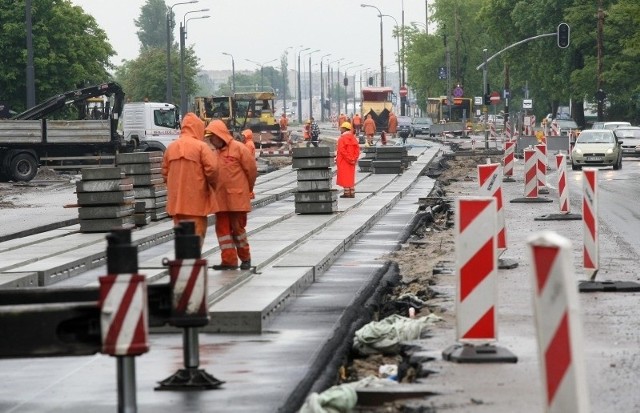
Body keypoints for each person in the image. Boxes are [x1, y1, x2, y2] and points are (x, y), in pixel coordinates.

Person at [205, 120, 258, 271]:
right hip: (220, 200)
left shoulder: (239, 149)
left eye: (212, 137)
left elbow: (252, 171)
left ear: (220, 136)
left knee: (238, 230)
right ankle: (228, 261)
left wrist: (248, 189)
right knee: (222, 231)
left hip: (237, 199)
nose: (211, 140)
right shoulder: (213, 152)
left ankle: (245, 258)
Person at [161, 112, 218, 247]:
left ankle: (183, 263)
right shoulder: (201, 147)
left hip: (177, 204)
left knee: (182, 238)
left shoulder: (171, 148)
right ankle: (192, 264)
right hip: (196, 203)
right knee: (196, 238)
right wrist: (213, 188)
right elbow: (213, 170)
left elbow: (164, 173)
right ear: (198, 128)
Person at [335, 122, 360, 198]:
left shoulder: (342, 139)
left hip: (344, 161)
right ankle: (352, 192)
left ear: (344, 128)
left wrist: (348, 158)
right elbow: (357, 150)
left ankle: (346, 193)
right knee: (350, 176)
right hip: (352, 161)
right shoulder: (353, 138)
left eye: (341, 128)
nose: (340, 129)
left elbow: (342, 151)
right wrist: (354, 159)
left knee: (344, 176)